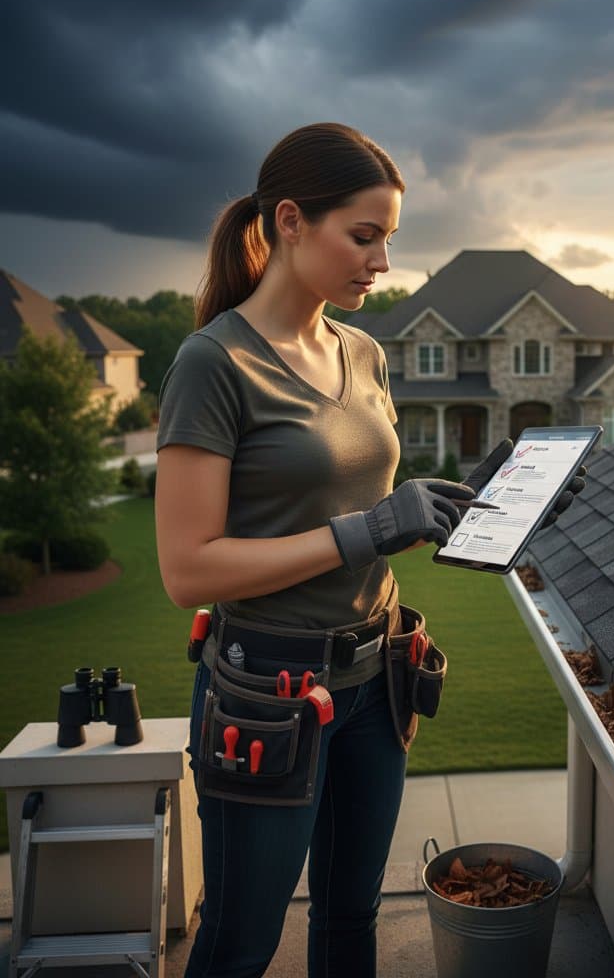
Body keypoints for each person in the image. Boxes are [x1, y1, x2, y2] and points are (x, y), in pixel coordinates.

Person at [155, 122, 583, 977]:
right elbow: (189, 569)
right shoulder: (215, 363)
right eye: (364, 236)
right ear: (287, 221)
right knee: (242, 939)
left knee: (351, 918)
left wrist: (484, 501)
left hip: (376, 678)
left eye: (387, 239)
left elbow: (366, 511)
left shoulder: (365, 352)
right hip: (270, 694)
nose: (382, 263)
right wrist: (373, 527)